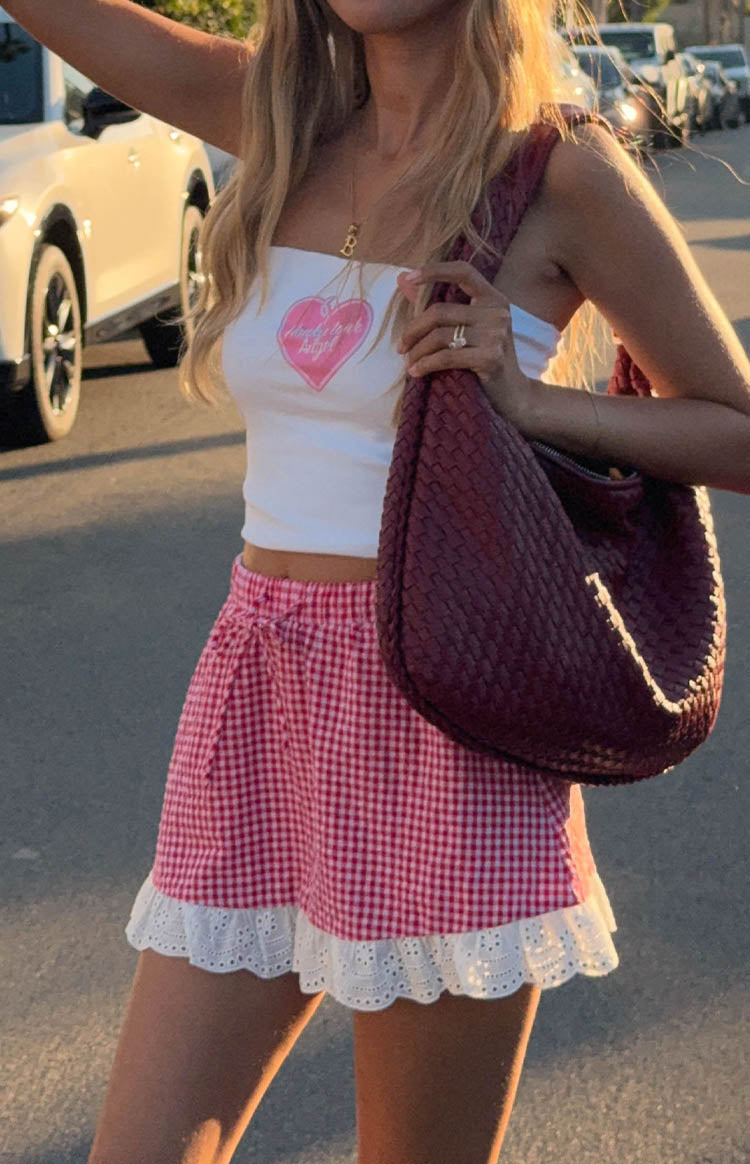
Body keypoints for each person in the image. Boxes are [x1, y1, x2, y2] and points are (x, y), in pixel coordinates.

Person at [6, 1, 750, 1162]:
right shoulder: (280, 118)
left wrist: (533, 400)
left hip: (448, 713)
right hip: (260, 692)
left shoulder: (557, 172)